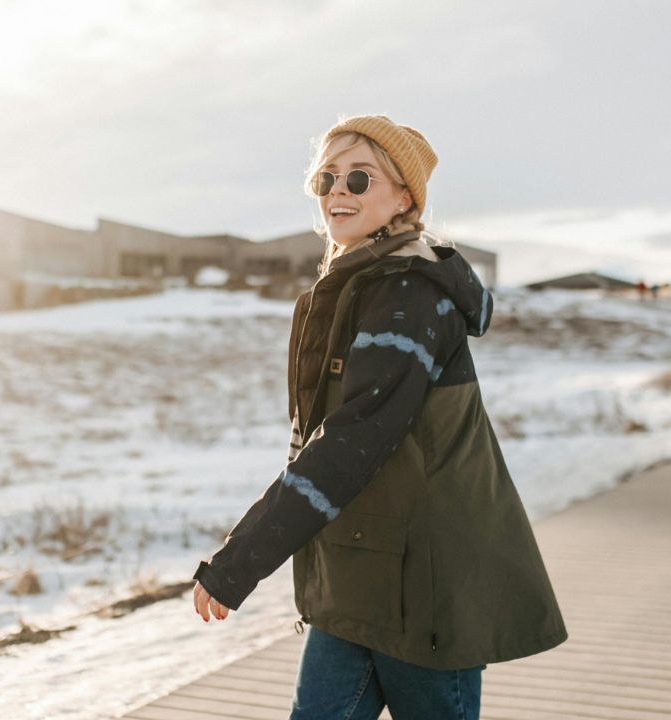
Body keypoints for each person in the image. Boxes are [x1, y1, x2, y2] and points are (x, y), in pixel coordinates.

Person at [190, 114, 567, 719]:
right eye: (326, 179)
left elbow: (349, 442)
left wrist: (240, 561)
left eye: (359, 179)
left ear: (404, 198)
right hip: (358, 570)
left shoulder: (409, 295)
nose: (338, 192)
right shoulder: (350, 287)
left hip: (425, 586)